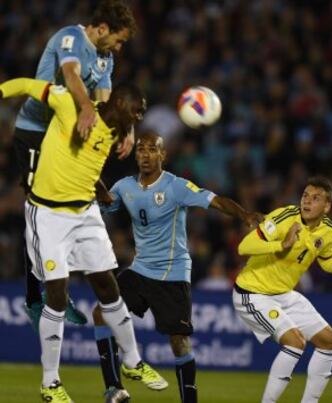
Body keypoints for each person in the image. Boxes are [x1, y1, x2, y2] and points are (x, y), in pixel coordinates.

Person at [0, 78, 167, 403]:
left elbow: (86, 168)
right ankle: (50, 383)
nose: (137, 121)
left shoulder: (116, 133)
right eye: (135, 113)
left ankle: (133, 361)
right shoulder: (71, 105)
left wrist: (103, 194)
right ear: (119, 104)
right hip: (48, 214)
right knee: (58, 294)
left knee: (108, 287)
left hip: (85, 212)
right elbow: (25, 85)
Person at [93, 130, 262, 403]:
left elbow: (216, 201)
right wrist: (94, 181)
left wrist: (244, 214)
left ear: (163, 155)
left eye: (152, 149)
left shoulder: (176, 186)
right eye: (140, 149)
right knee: (102, 313)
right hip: (140, 269)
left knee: (179, 342)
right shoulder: (125, 186)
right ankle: (114, 388)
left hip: (173, 273)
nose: (145, 155)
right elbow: (107, 204)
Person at [13, 0, 137, 328]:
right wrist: (84, 106)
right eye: (119, 39)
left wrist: (125, 128)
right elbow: (70, 74)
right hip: (37, 131)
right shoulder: (70, 38)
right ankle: (35, 298)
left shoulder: (105, 58)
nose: (120, 48)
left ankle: (57, 290)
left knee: (68, 210)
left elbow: (107, 99)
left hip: (68, 134)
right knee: (40, 210)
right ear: (102, 28)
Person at [232, 176, 332, 403]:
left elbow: (326, 258)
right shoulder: (285, 216)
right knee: (295, 342)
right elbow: (244, 246)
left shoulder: (327, 230)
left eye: (315, 198)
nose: (307, 201)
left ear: (327, 206)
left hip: (284, 294)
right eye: (305, 195)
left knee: (330, 342)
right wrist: (282, 244)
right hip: (252, 292)